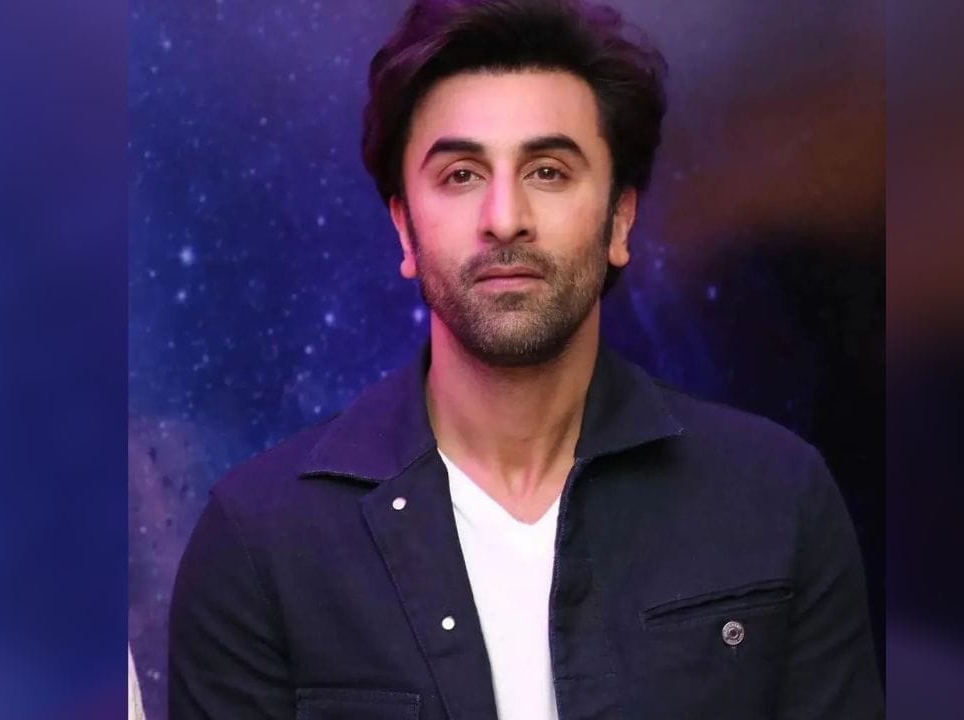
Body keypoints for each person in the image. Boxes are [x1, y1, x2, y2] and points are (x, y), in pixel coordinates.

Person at [168, 1, 883, 718]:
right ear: (404, 229)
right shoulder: (261, 541)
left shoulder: (776, 499)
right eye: (461, 175)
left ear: (620, 219)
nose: (505, 218)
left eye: (547, 171)